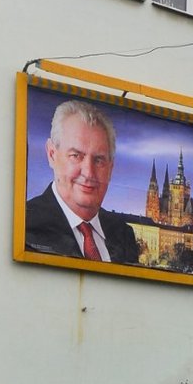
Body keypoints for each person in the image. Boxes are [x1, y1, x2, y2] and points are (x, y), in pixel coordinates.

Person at [25, 100, 140, 264]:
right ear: (51, 154)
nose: (88, 172)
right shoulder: (26, 224)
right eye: (76, 156)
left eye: (99, 160)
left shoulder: (123, 234)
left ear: (111, 167)